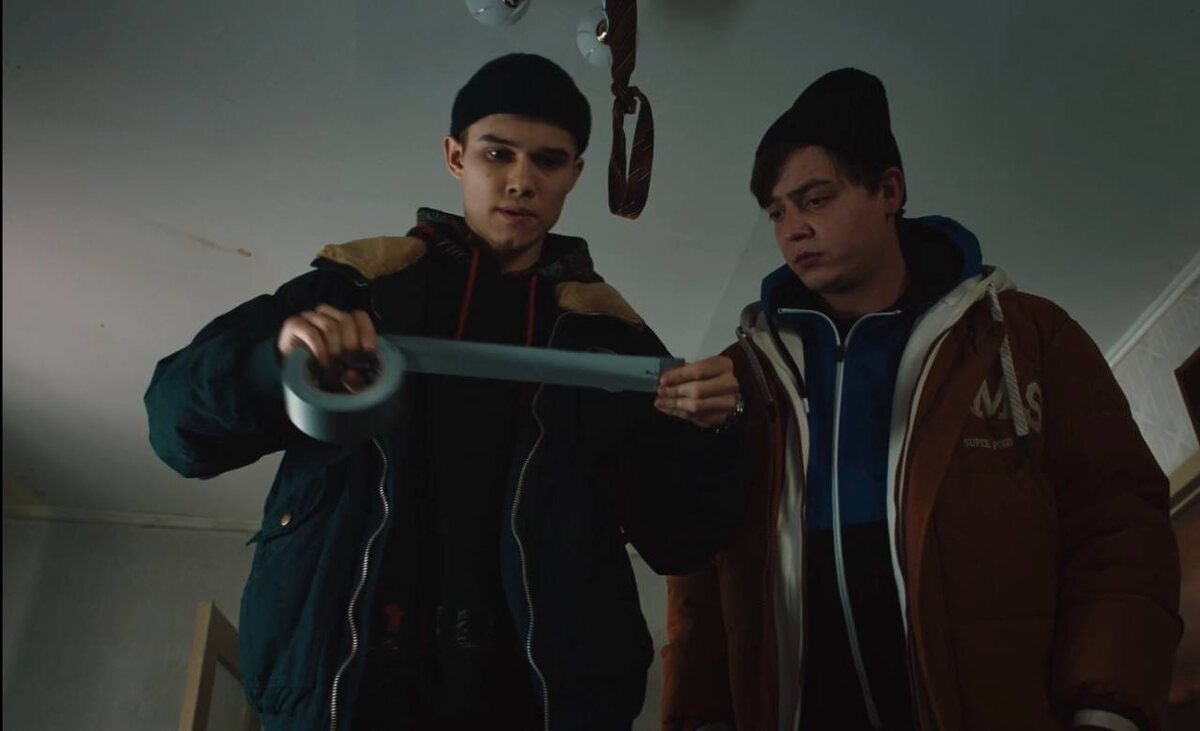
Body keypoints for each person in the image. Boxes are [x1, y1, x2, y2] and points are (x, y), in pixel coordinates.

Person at [145, 53, 745, 730]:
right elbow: (176, 430)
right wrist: (270, 365)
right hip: (349, 695)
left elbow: (682, 543)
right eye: (498, 153)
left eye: (548, 161)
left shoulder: (616, 342)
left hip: (535, 706)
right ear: (456, 156)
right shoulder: (351, 289)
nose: (521, 180)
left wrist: (715, 430)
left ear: (575, 173)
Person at [660, 68, 1181, 731]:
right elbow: (699, 574)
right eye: (777, 212)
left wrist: (1108, 711)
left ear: (889, 191)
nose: (793, 229)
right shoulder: (743, 377)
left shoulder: (1026, 336)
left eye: (814, 199)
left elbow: (1119, 523)